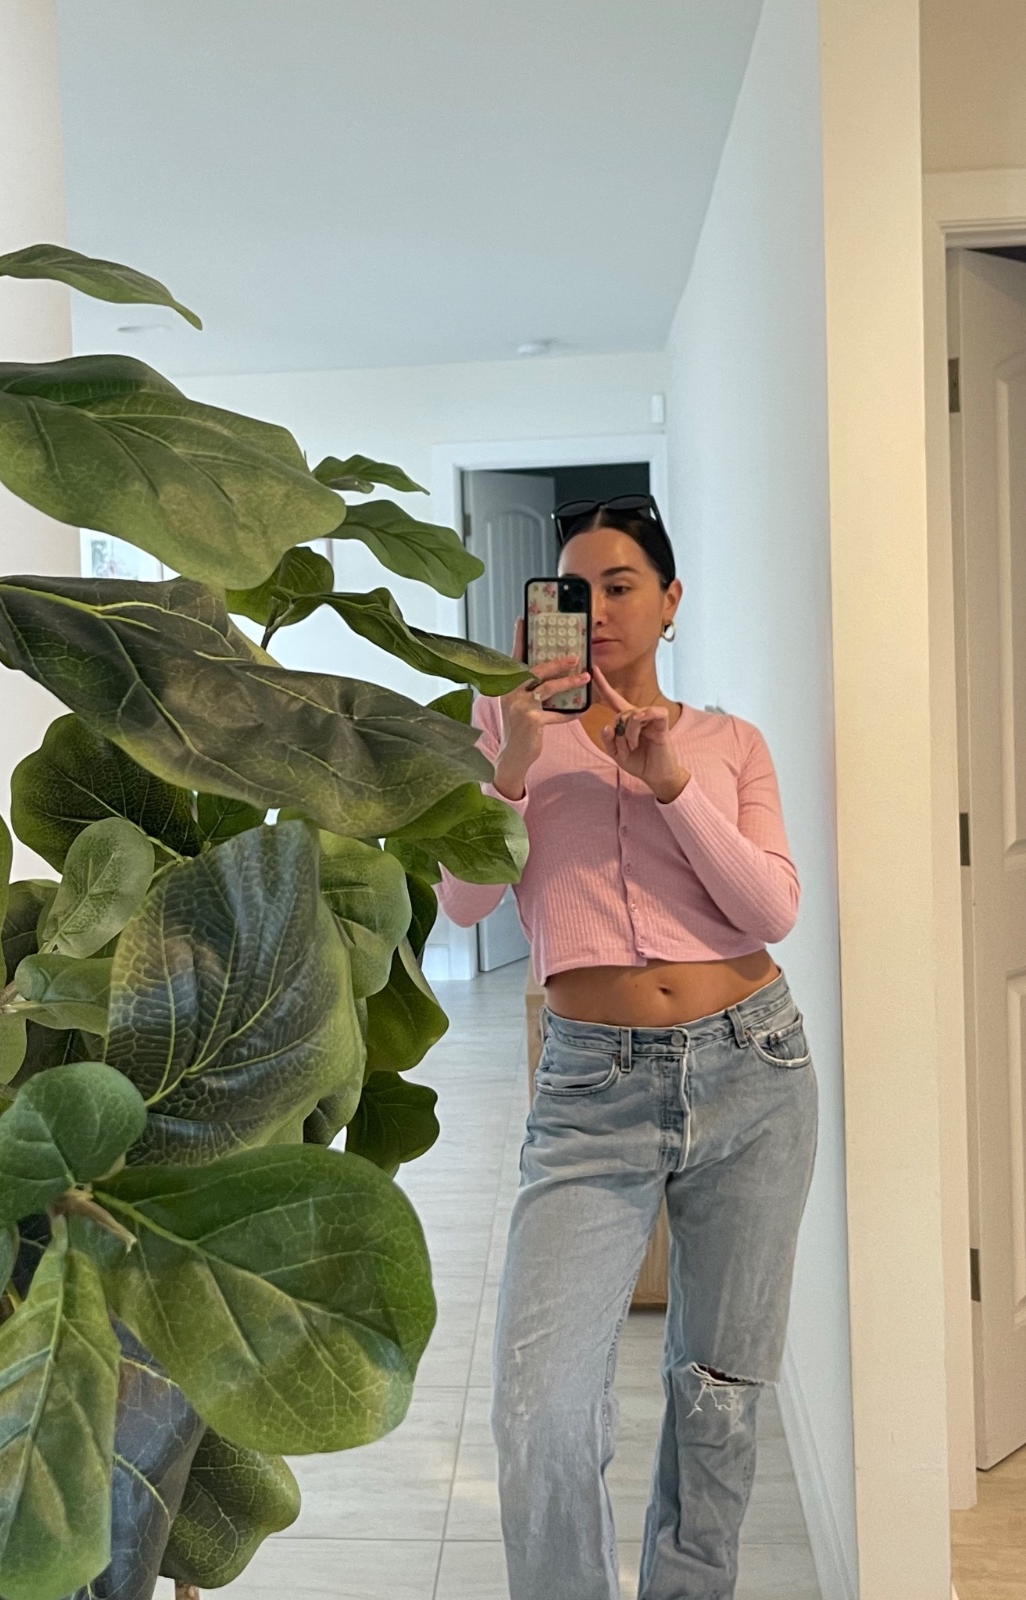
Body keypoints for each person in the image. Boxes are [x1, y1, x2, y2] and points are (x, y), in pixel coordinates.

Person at [435, 494, 818, 1600]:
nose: (596, 610)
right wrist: (511, 767)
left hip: (755, 1069)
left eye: (619, 586)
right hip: (589, 1088)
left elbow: (771, 909)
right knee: (541, 1412)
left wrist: (672, 786)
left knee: (718, 1393)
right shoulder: (506, 728)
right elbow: (463, 904)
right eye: (574, 590)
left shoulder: (728, 744)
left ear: (669, 601)